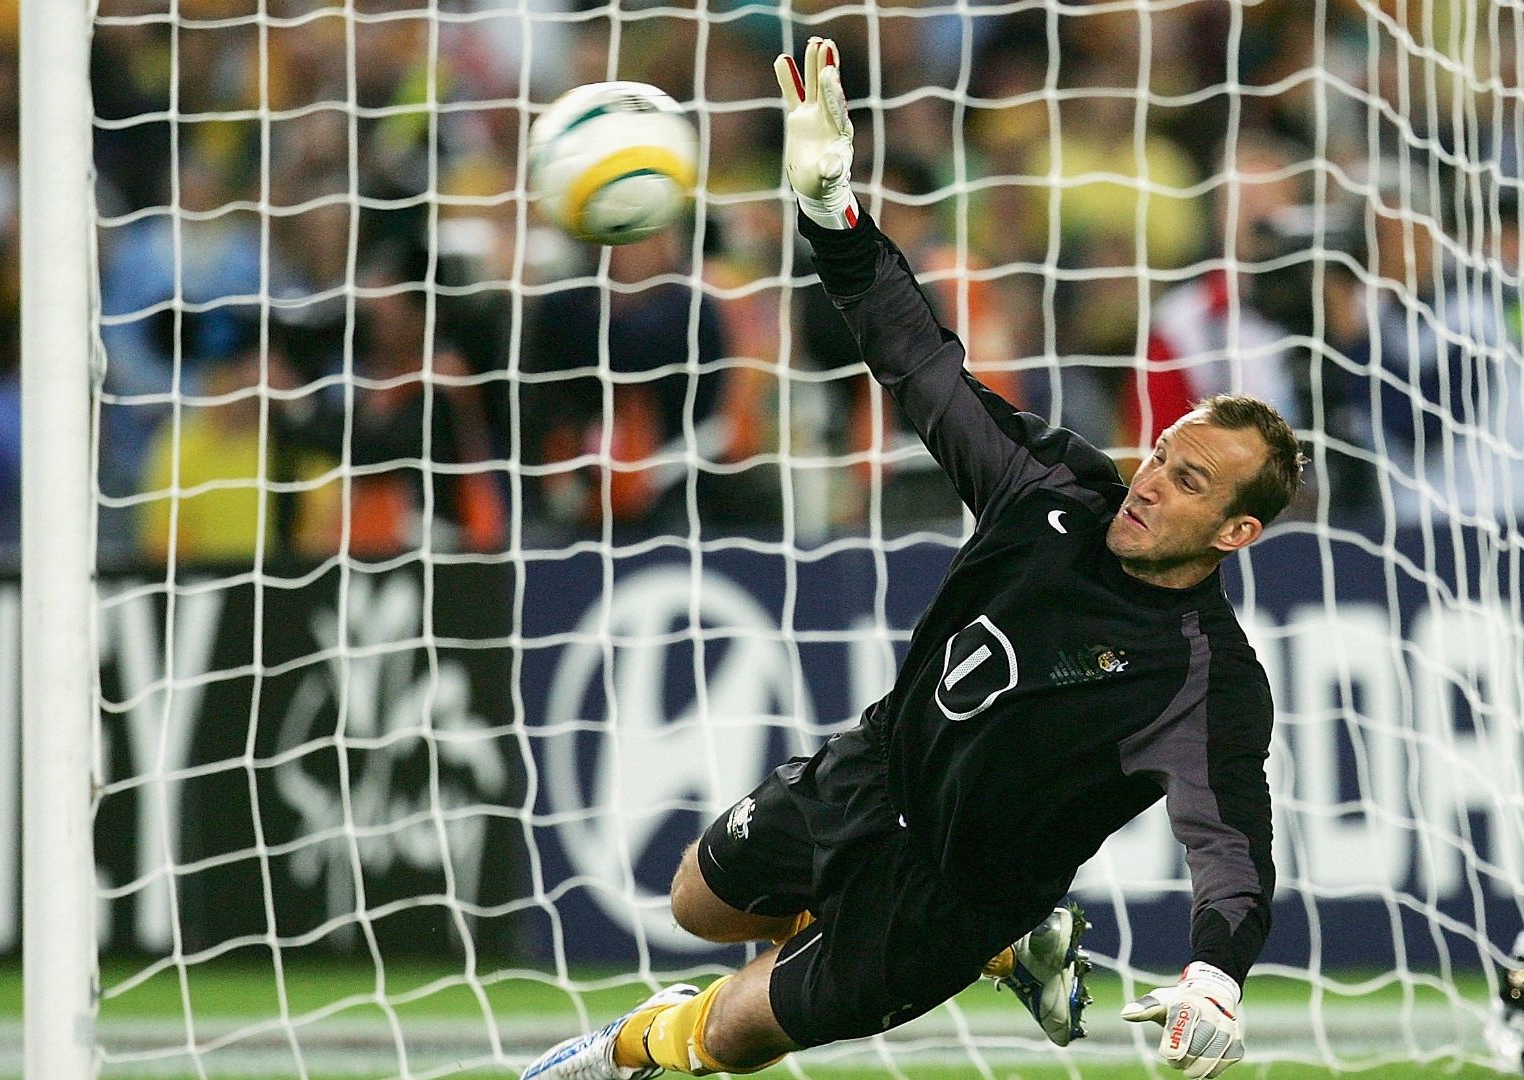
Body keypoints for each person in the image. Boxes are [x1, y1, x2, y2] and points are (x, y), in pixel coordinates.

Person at [521, 38, 1301, 1080]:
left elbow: (1232, 853)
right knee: (696, 904)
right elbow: (919, 361)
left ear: (1235, 534)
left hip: (952, 889)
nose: (1152, 479)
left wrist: (1215, 977)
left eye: (1191, 483)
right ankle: (1007, 954)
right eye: (1162, 453)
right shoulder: (1054, 490)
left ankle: (621, 1055)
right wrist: (833, 211)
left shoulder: (1208, 677)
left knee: (729, 1036)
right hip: (874, 766)